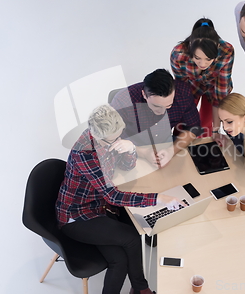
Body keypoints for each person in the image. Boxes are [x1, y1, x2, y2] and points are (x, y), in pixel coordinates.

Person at [55, 104, 181, 294]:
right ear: (97, 136)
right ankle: (142, 288)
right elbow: (112, 196)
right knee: (132, 237)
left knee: (119, 260)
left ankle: (139, 289)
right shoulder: (85, 154)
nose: (117, 142)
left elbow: (125, 166)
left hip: (98, 207)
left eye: (120, 136)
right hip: (76, 216)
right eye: (113, 141)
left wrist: (130, 149)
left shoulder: (108, 136)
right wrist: (159, 198)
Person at [110, 69, 202, 168]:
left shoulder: (183, 92)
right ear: (144, 94)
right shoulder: (123, 101)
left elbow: (193, 127)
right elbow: (112, 139)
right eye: (156, 106)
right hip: (133, 150)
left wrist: (172, 151)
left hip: (166, 144)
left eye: (168, 106)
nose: (162, 112)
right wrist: (144, 153)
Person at [170, 18, 234, 138]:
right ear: (190, 48)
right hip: (190, 84)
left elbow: (220, 94)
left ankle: (203, 148)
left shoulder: (226, 51)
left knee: (206, 125)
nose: (203, 64)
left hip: (214, 85)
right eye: (197, 58)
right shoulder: (178, 54)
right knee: (183, 125)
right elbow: (181, 90)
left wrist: (216, 131)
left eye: (208, 59)